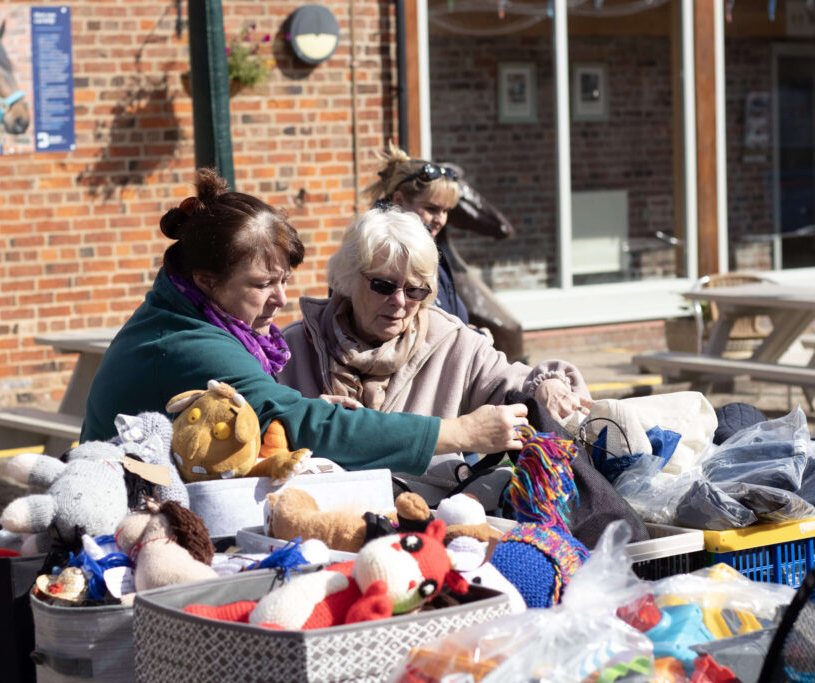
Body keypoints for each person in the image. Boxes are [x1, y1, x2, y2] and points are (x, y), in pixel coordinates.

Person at [82, 169, 531, 476]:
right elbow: (301, 422)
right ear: (205, 281)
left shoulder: (182, 313)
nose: (281, 298)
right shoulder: (189, 342)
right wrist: (459, 432)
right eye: (262, 284)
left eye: (416, 290)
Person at [277, 207, 594, 504]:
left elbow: (514, 383)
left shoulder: (451, 341)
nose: (400, 301)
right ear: (348, 278)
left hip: (429, 517)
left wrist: (548, 385)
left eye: (415, 290)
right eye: (384, 285)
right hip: (323, 519)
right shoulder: (293, 348)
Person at [365, 143, 469, 322]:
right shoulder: (374, 252)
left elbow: (453, 319)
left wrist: (473, 337)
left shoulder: (426, 248)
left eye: (445, 211)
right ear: (398, 200)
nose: (440, 220)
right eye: (431, 208)